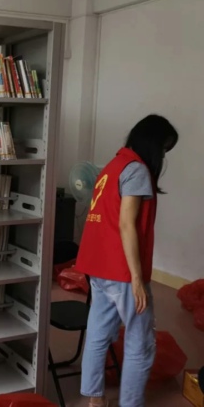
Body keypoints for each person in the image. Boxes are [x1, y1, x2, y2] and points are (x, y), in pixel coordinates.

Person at [75, 114, 179, 407]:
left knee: (98, 334)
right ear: (153, 144)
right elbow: (126, 224)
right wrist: (137, 279)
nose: (162, 156)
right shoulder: (137, 170)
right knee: (140, 343)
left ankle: (95, 401)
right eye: (163, 148)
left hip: (98, 267)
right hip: (121, 271)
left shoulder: (112, 166)